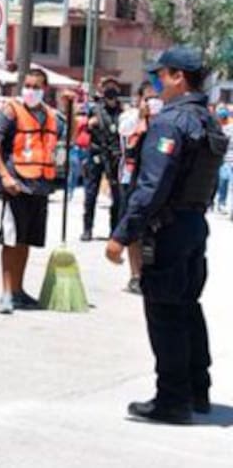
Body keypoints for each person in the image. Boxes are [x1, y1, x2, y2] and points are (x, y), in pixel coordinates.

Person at [106, 46, 224, 425]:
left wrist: (122, 234)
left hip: (169, 229)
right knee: (187, 306)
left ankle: (172, 400)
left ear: (178, 77)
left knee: (165, 311)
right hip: (193, 223)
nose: (156, 82)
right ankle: (196, 390)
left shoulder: (171, 122)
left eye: (161, 75)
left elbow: (152, 186)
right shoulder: (207, 120)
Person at [0, 68, 70, 314]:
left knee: (26, 241)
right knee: (11, 240)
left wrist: (70, 108)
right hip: (17, 185)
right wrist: (4, 175)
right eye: (28, 86)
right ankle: (6, 293)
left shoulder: (52, 116)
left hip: (40, 186)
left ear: (45, 89)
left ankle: (18, 290)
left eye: (36, 87)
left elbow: (65, 139)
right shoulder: (11, 111)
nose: (31, 90)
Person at [116, 81, 161, 295]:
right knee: (133, 228)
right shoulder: (130, 117)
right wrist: (141, 117)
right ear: (139, 99)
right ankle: (135, 275)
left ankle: (151, 274)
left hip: (156, 181)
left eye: (156, 98)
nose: (152, 102)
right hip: (131, 179)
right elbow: (124, 131)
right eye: (148, 98)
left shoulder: (166, 119)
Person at [83, 77, 125, 241]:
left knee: (117, 194)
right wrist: (89, 124)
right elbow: (85, 128)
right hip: (96, 153)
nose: (110, 90)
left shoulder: (122, 111)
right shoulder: (95, 110)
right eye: (107, 87)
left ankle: (114, 229)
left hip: (114, 155)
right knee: (91, 192)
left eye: (113, 87)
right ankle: (87, 229)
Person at [67, 101, 91, 205]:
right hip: (77, 148)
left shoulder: (90, 120)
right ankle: (69, 193)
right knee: (74, 172)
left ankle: (87, 196)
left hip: (87, 148)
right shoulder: (77, 120)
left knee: (87, 174)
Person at [214, 106, 232, 213]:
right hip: (224, 161)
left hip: (227, 161)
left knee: (228, 185)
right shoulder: (219, 129)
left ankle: (226, 206)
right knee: (223, 183)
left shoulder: (225, 129)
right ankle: (221, 204)